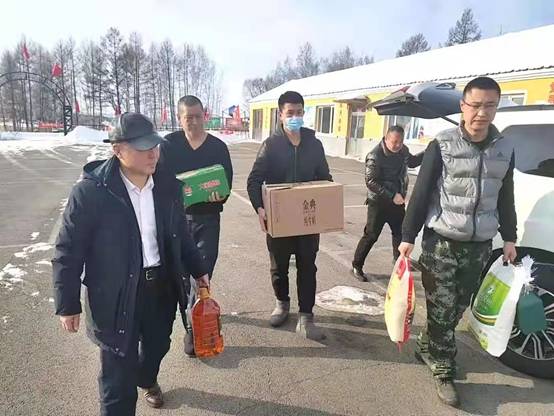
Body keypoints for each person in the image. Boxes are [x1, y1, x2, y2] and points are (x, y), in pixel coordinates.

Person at [52, 112, 209, 415]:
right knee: (117, 379)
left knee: (158, 346)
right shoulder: (92, 193)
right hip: (114, 296)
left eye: (155, 145)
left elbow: (181, 235)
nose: (153, 154)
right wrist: (67, 303)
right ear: (117, 150)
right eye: (142, 147)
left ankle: (147, 378)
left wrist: (199, 269)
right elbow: (68, 250)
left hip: (160, 289)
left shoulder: (167, 187)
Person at [398, 76, 517, 407]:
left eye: (489, 105)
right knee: (441, 307)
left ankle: (429, 344)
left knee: (459, 306)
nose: (482, 112)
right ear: (463, 106)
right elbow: (422, 193)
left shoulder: (505, 148)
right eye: (475, 105)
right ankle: (443, 367)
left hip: (479, 245)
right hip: (442, 242)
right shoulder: (443, 144)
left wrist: (510, 237)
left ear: (496, 108)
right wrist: (408, 236)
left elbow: (505, 196)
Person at [247, 90, 332, 341]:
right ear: (281, 115)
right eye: (290, 113)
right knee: (279, 266)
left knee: (308, 267)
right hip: (280, 220)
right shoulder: (271, 145)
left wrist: (325, 195)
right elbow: (254, 180)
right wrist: (260, 208)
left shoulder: (314, 145)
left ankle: (306, 317)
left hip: (306, 219)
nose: (295, 117)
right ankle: (282, 304)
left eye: (299, 112)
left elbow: (325, 177)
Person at [159, 95, 233, 357]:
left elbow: (226, 183)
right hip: (175, 220)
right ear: (179, 118)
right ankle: (188, 316)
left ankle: (193, 329)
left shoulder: (218, 148)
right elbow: (158, 180)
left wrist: (219, 196)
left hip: (207, 219)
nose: (193, 122)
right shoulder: (169, 145)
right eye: (187, 117)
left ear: (205, 116)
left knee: (201, 274)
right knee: (178, 274)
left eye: (197, 116)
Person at [351, 125, 423, 281]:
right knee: (371, 235)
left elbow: (412, 162)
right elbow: (370, 181)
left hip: (397, 202)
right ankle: (356, 265)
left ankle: (399, 263)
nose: (397, 145)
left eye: (400, 142)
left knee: (400, 233)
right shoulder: (375, 155)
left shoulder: (403, 150)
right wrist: (391, 195)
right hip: (378, 203)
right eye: (394, 142)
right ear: (386, 138)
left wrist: (429, 152)